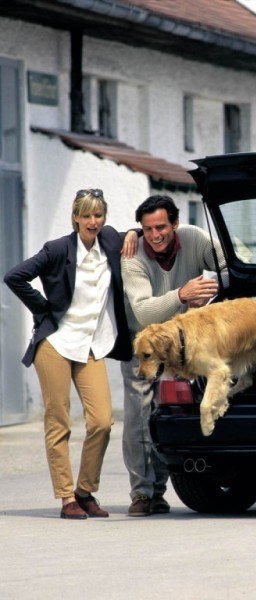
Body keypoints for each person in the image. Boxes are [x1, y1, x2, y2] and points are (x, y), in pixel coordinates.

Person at [3, 188, 139, 519]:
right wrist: (44, 310)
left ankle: (85, 490)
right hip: (57, 344)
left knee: (103, 421)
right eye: (87, 215)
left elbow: (130, 234)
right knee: (59, 420)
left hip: (91, 344)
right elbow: (14, 276)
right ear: (75, 217)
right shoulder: (57, 249)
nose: (93, 221)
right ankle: (67, 497)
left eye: (98, 215)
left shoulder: (108, 240)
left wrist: (134, 231)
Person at [120, 194, 225, 517]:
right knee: (139, 416)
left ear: (175, 224)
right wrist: (181, 294)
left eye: (161, 227)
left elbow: (232, 265)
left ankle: (160, 491)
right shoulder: (133, 253)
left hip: (181, 345)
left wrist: (209, 297)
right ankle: (141, 493)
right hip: (145, 345)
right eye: (148, 228)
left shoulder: (194, 238)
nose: (155, 235)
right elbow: (142, 310)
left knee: (169, 414)